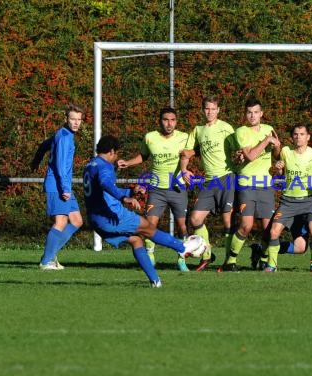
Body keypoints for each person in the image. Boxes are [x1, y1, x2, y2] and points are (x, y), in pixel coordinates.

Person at [83, 135, 203, 288]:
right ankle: (182, 248)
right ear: (112, 151)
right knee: (148, 228)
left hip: (95, 219)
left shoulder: (90, 165)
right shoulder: (105, 166)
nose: (116, 157)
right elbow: (105, 183)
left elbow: (102, 190)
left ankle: (155, 281)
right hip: (112, 216)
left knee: (136, 240)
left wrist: (130, 192)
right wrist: (123, 198)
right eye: (117, 153)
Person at [117, 107, 190, 271]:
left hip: (177, 188)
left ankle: (181, 259)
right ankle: (150, 256)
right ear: (160, 121)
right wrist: (128, 162)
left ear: (176, 121)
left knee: (182, 226)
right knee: (150, 224)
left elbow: (194, 151)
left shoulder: (184, 137)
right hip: (156, 189)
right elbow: (144, 156)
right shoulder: (150, 137)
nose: (169, 123)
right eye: (165, 119)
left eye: (172, 120)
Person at [220, 98, 281, 272]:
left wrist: (275, 145)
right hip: (247, 184)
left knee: (268, 228)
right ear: (245, 114)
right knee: (246, 225)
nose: (252, 115)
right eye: (249, 112)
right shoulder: (241, 132)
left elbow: (276, 153)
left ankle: (262, 258)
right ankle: (230, 261)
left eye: (256, 112)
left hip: (266, 185)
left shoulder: (269, 129)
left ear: (261, 113)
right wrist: (267, 141)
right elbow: (250, 156)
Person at [263, 125, 312, 272]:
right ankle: (271, 265)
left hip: (309, 201)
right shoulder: (285, 152)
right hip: (288, 201)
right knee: (274, 232)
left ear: (308, 137)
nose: (298, 137)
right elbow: (274, 172)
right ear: (292, 137)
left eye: (302, 134)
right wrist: (276, 168)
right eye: (295, 134)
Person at [181, 95, 238, 271]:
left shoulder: (226, 127)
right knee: (195, 218)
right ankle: (207, 255)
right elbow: (186, 152)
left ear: (218, 110)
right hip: (208, 181)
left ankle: (230, 263)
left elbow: (238, 148)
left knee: (227, 222)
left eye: (213, 109)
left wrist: (240, 156)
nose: (210, 112)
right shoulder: (198, 130)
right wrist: (184, 169)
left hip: (226, 178)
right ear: (202, 110)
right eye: (207, 108)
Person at [39, 104, 85, 270]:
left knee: (77, 220)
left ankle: (50, 255)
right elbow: (60, 165)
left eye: (79, 120)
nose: (76, 123)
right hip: (58, 185)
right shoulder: (65, 137)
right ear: (66, 119)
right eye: (73, 119)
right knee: (61, 221)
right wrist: (65, 189)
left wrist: (36, 160)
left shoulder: (62, 133)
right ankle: (46, 261)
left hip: (62, 184)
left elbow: (45, 144)